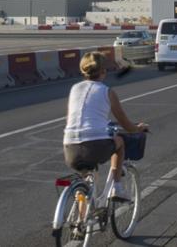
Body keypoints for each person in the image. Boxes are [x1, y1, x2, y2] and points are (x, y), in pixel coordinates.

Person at [63, 51, 148, 200]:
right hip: (95, 146)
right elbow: (126, 124)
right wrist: (138, 128)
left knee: (85, 182)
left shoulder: (74, 88)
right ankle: (117, 187)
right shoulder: (107, 92)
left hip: (70, 148)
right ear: (103, 71)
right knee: (120, 142)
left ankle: (81, 221)